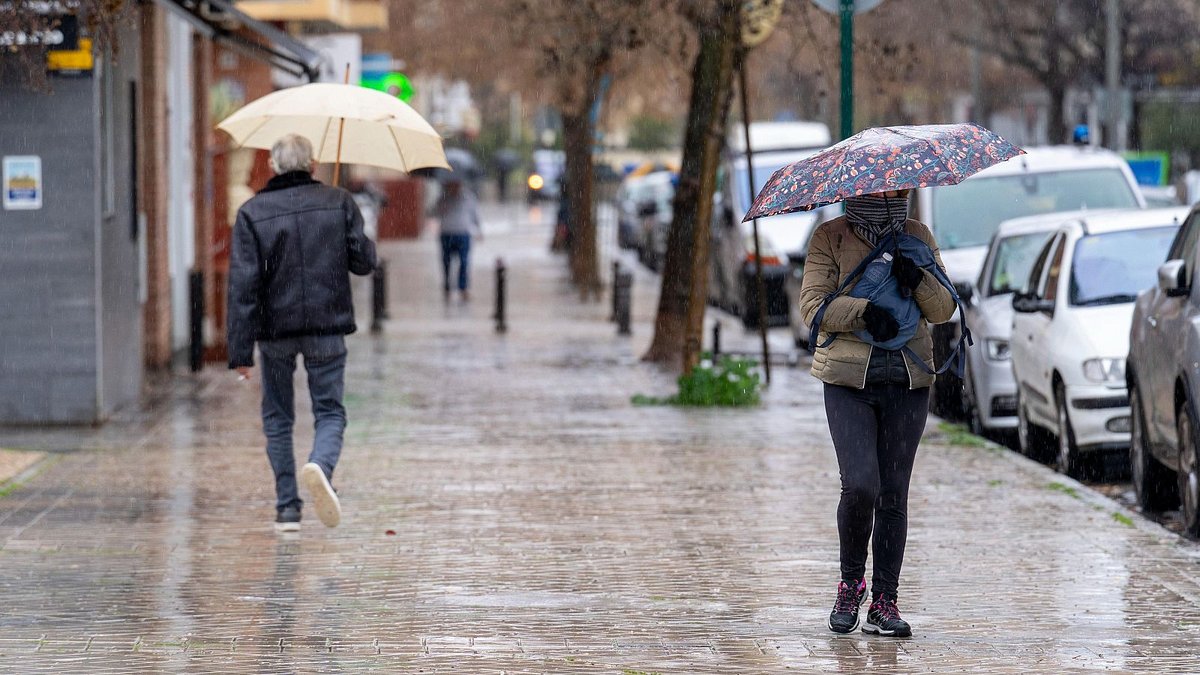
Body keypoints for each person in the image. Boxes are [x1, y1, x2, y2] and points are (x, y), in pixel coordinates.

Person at [798, 189, 956, 638]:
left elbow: (944, 309)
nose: (895, 194)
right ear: (861, 188)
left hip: (908, 381)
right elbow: (812, 306)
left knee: (893, 493)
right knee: (860, 484)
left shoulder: (917, 235)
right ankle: (851, 583)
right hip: (849, 382)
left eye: (900, 187)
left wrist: (918, 279)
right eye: (885, 187)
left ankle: (885, 600)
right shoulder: (831, 237)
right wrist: (864, 312)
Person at [227, 134, 377, 532]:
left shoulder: (251, 213)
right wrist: (352, 227)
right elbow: (364, 262)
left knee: (278, 417)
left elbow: (243, 287)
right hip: (327, 326)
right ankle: (321, 466)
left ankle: (287, 508)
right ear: (312, 165)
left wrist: (240, 352)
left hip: (274, 331)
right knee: (329, 410)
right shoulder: (338, 201)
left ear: (274, 167)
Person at [433, 178, 480, 300]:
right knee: (446, 262)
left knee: (464, 262)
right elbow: (435, 212)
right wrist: (445, 203)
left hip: (463, 233)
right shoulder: (443, 197)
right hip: (446, 233)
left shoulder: (469, 197)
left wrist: (479, 229)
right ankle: (447, 287)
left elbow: (475, 214)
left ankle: (462, 288)